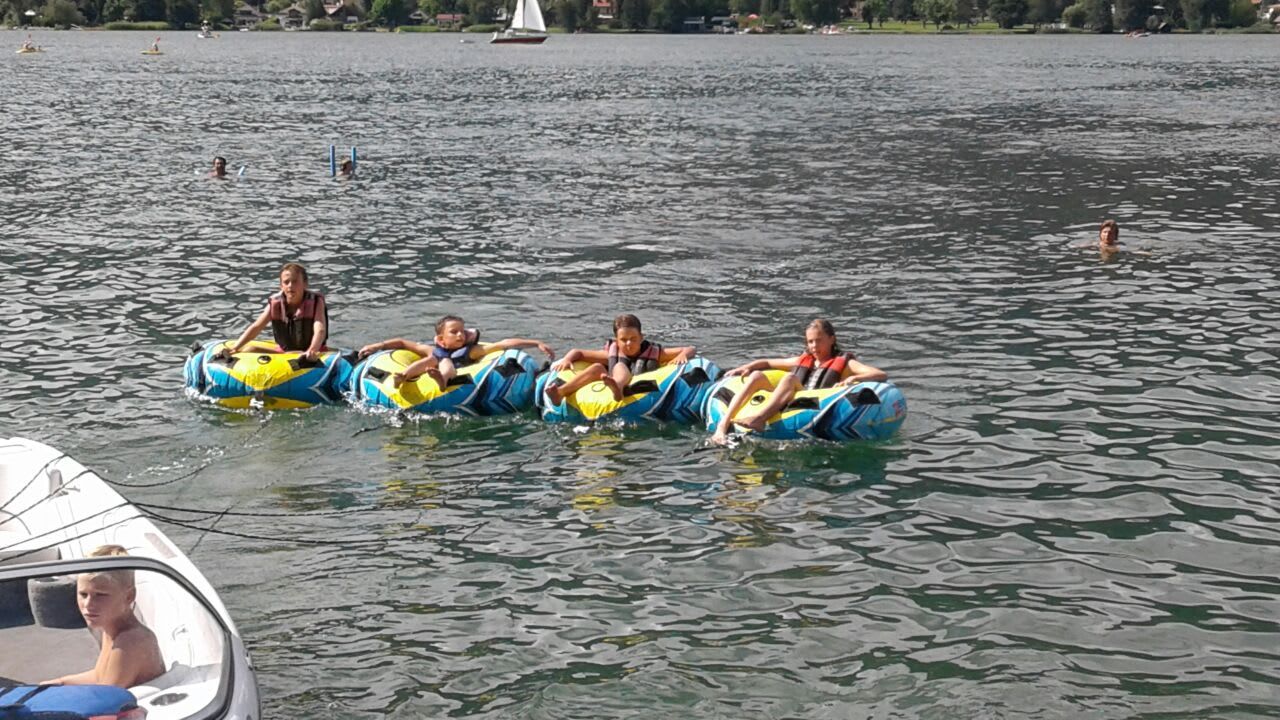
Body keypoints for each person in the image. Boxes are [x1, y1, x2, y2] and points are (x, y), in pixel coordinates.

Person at [711, 319, 888, 445]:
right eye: (810, 342)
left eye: (819, 340)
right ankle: (723, 425)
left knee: (789, 378)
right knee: (757, 375)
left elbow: (879, 374)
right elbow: (767, 363)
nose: (814, 346)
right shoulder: (803, 360)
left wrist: (854, 377)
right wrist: (746, 367)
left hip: (814, 404)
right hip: (791, 399)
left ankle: (759, 419)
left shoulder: (845, 363)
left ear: (832, 339)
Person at [42, 545, 165, 689]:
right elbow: (99, 676)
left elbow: (106, 696)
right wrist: (60, 682)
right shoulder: (111, 629)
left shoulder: (131, 641)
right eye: (83, 594)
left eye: (100, 595)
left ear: (129, 596)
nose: (88, 604)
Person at [358, 315, 554, 388]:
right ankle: (403, 376)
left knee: (445, 363)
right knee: (431, 360)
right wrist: (377, 346)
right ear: (441, 339)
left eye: (463, 331)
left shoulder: (472, 351)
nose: (460, 335)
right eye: (454, 332)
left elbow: (503, 344)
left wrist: (535, 343)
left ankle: (442, 380)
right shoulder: (433, 349)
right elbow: (402, 343)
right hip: (431, 365)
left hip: (453, 372)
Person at [544, 314, 695, 405]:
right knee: (599, 367)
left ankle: (617, 386)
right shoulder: (611, 353)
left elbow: (690, 349)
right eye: (623, 340)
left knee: (620, 367)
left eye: (633, 339)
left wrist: (682, 356)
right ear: (616, 341)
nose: (628, 343)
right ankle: (560, 392)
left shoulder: (654, 353)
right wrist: (567, 359)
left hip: (645, 387)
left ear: (641, 337)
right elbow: (578, 353)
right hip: (610, 381)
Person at [223, 262, 328, 360]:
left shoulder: (316, 301)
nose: (290, 285)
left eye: (295, 281)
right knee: (249, 350)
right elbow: (256, 327)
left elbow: (320, 329)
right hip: (285, 353)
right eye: (286, 282)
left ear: (305, 284)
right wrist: (235, 348)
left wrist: (312, 350)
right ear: (281, 286)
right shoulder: (276, 303)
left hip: (313, 352)